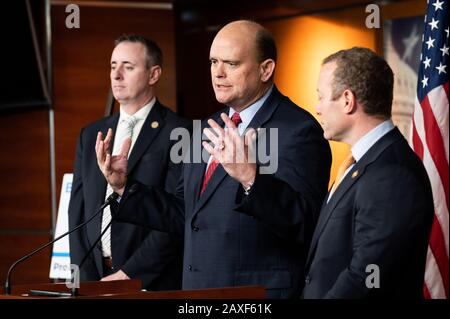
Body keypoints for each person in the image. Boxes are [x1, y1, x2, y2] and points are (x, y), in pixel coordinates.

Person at [96, 21, 331, 298]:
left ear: (265, 69)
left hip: (254, 296)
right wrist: (124, 186)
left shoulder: (298, 129)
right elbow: (184, 212)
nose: (218, 73)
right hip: (199, 292)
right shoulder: (207, 127)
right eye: (213, 61)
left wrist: (251, 179)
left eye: (231, 63)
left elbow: (306, 224)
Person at [302, 47, 434, 298]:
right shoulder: (363, 163)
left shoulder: (392, 174)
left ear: (347, 100)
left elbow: (365, 278)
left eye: (321, 97)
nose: (317, 108)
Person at [68, 35, 189, 290]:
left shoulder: (180, 132)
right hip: (94, 280)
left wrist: (128, 274)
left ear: (153, 75)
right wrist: (86, 278)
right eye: (113, 66)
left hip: (150, 282)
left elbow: (177, 216)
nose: (116, 75)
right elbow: (77, 213)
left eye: (128, 67)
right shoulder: (90, 134)